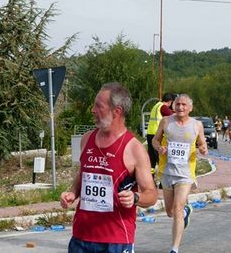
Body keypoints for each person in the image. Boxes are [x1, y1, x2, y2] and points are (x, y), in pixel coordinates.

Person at [60, 82, 158, 253]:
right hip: (81, 236)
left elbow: (151, 194)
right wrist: (72, 193)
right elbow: (83, 173)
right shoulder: (87, 139)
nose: (93, 110)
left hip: (116, 239)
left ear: (116, 112)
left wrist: (135, 198)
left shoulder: (134, 148)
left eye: (99, 106)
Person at [152, 94, 208, 253]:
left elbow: (202, 143)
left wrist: (203, 149)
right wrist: (159, 148)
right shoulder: (166, 121)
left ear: (190, 108)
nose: (180, 107)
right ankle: (186, 212)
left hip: (185, 173)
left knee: (176, 208)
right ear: (173, 106)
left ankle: (174, 249)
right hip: (166, 171)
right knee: (170, 212)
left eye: (184, 105)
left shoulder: (197, 125)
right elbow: (155, 140)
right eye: (178, 104)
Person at [146, 92, 176, 177]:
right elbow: (172, 116)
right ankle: (162, 181)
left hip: (150, 133)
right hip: (157, 135)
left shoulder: (156, 105)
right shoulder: (163, 107)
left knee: (152, 158)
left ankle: (150, 179)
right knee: (160, 158)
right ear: (170, 101)